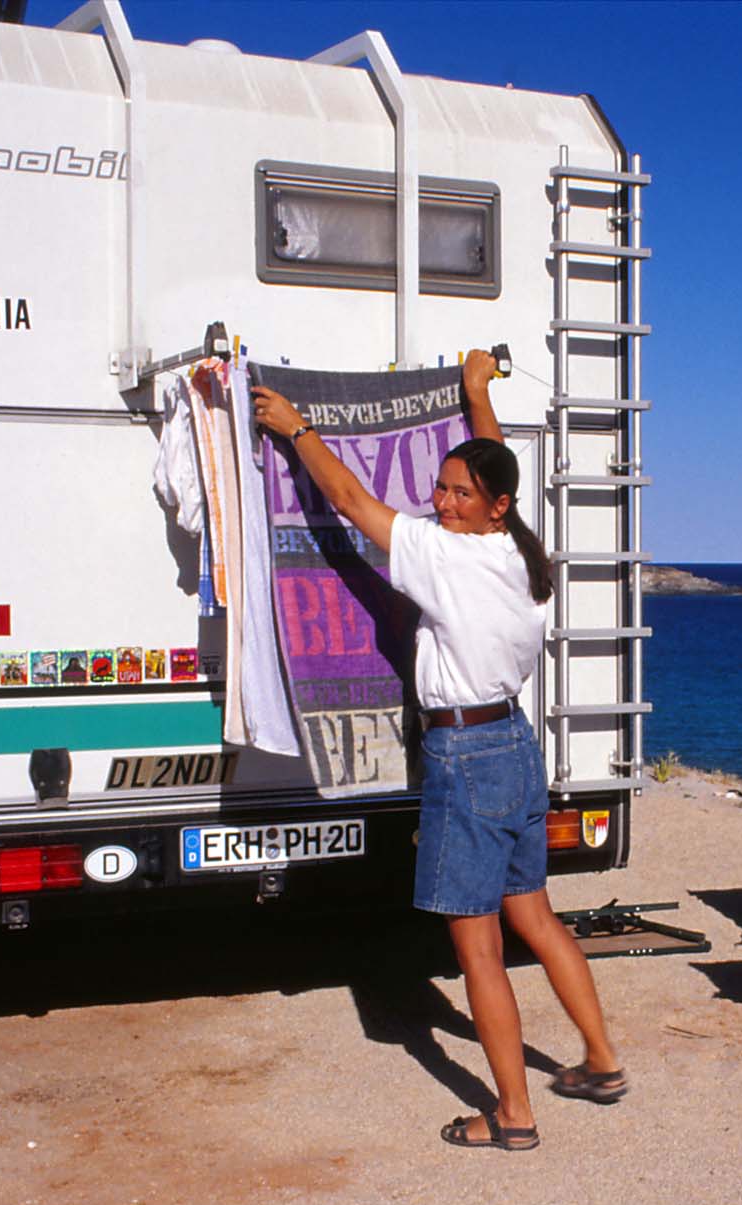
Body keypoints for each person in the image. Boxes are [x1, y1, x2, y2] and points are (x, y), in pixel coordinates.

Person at [252, 350, 626, 1152]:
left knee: (479, 950)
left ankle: (515, 1115)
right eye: (440, 486)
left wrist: (296, 427)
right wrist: (475, 396)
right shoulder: (519, 554)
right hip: (517, 747)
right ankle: (599, 1059)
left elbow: (351, 500)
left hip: (467, 759)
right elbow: (494, 468)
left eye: (459, 493)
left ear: (492, 507)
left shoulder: (449, 555)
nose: (440, 500)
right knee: (537, 917)